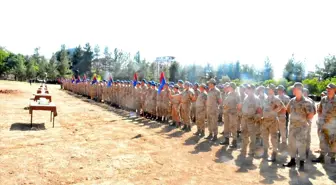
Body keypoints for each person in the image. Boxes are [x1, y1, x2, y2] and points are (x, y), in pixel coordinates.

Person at [283, 82, 315, 171]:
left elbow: (311, 114)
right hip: (292, 126)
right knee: (292, 144)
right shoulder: (292, 100)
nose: (292, 90)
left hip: (302, 127)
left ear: (299, 90)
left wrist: (302, 120)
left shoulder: (307, 102)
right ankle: (292, 160)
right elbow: (288, 110)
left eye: (294, 89)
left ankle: (301, 163)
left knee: (301, 145)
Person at [312, 83, 336, 164]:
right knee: (322, 140)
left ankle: (332, 156)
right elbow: (319, 110)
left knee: (333, 141)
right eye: (327, 89)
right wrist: (321, 120)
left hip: (333, 125)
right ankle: (322, 156)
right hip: (324, 124)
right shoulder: (323, 99)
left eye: (330, 89)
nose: (328, 90)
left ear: (334, 90)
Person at [262, 84, 285, 162]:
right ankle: (265, 152)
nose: (268, 90)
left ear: (272, 90)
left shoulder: (276, 99)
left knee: (273, 138)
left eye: (269, 89)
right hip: (265, 120)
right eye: (267, 89)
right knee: (265, 137)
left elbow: (282, 107)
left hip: (272, 121)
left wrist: (274, 111)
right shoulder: (266, 98)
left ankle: (274, 154)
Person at [241, 84, 262, 156]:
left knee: (252, 136)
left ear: (252, 90)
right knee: (244, 134)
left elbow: (259, 111)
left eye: (248, 89)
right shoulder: (246, 98)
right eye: (247, 89)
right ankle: (244, 149)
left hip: (251, 120)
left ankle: (252, 150)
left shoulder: (256, 99)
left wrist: (256, 118)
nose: (247, 90)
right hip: (244, 119)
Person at [220, 82, 240, 148]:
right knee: (226, 126)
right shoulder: (228, 93)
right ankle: (226, 140)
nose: (227, 87)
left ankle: (234, 142)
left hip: (232, 113)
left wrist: (235, 112)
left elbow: (239, 105)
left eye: (229, 86)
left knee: (233, 127)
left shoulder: (236, 94)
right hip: (226, 113)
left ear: (232, 87)